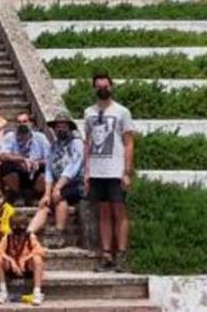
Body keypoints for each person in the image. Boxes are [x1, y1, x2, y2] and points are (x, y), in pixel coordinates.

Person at [83, 72, 137, 272]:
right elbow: (87, 142)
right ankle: (106, 253)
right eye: (99, 86)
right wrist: (86, 171)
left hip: (115, 169)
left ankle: (121, 254)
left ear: (111, 87)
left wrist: (127, 171)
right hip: (97, 169)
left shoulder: (122, 112)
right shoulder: (89, 112)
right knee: (104, 212)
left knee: (119, 212)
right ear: (94, 88)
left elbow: (129, 142)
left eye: (105, 86)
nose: (102, 89)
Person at [32, 115, 85, 234]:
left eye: (63, 126)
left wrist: (57, 188)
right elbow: (49, 170)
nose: (60, 129)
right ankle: (30, 232)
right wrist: (46, 193)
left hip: (78, 183)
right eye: (57, 127)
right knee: (45, 202)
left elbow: (73, 167)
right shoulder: (54, 146)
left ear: (70, 128)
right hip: (60, 183)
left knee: (59, 196)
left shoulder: (76, 144)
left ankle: (59, 231)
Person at [0, 113, 52, 206]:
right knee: (5, 165)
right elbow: (2, 155)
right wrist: (20, 160)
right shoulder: (10, 136)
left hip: (35, 171)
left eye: (25, 121)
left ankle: (36, 196)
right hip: (17, 171)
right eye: (19, 122)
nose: (22, 124)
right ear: (15, 125)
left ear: (31, 123)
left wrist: (36, 162)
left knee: (48, 168)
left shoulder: (41, 137)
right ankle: (17, 195)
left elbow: (50, 157)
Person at [0, 213, 45, 305]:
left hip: (27, 267)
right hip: (11, 267)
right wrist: (11, 260)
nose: (18, 228)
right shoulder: (7, 237)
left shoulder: (30, 236)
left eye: (21, 225)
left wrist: (25, 258)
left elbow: (40, 250)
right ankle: (3, 291)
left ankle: (37, 292)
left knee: (38, 259)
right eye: (15, 225)